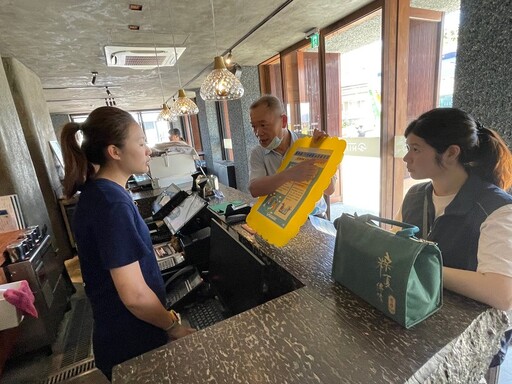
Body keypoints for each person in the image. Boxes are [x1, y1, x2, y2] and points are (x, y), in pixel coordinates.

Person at [60, 106, 195, 380]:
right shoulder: (112, 204)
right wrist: (173, 325)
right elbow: (133, 295)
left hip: (122, 333)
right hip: (131, 339)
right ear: (115, 152)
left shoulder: (100, 192)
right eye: (141, 142)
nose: (148, 150)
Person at [399, 107, 512, 367]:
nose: (407, 158)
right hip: (424, 311)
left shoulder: (497, 209)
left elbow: (501, 292)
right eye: (408, 147)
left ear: (451, 153)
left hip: (475, 335)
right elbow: (399, 243)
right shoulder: (416, 195)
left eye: (416, 149)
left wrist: (422, 267)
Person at [248, 95, 335, 217]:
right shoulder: (258, 153)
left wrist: (322, 152)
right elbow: (255, 189)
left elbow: (330, 190)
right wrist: (290, 174)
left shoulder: (309, 143)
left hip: (315, 217)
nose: (258, 133)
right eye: (254, 126)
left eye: (263, 125)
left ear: (283, 121)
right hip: (280, 218)